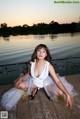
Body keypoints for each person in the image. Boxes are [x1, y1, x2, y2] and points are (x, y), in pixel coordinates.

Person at [0, 44, 77, 111]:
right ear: (36, 52)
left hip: (46, 82)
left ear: (46, 54)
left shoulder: (49, 65)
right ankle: (35, 88)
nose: (41, 53)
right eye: (39, 51)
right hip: (34, 82)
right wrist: (21, 78)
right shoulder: (31, 63)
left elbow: (57, 81)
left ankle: (47, 91)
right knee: (18, 85)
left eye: (43, 51)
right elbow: (29, 73)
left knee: (60, 93)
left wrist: (67, 94)